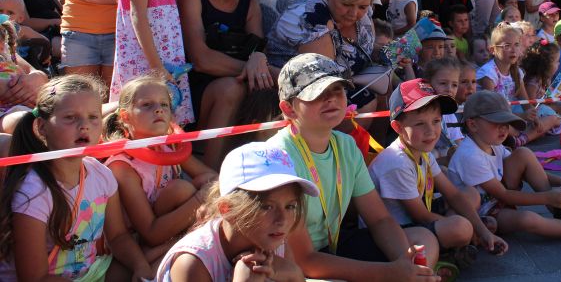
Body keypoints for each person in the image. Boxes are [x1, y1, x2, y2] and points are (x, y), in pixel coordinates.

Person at [266, 54, 439, 281]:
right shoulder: (279, 157)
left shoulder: (346, 144)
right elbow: (305, 260)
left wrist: (404, 262)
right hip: (294, 264)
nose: (331, 99)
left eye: (337, 90)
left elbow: (379, 220)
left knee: (422, 239)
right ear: (289, 109)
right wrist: (390, 273)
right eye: (317, 93)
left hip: (334, 245)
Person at [0, 75, 154, 281]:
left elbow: (118, 236)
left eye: (93, 117)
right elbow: (34, 277)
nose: (84, 125)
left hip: (89, 272)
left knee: (152, 266)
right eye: (71, 117)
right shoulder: (33, 191)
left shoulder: (102, 176)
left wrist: (140, 267)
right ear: (42, 126)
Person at [448, 91, 561, 246]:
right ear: (473, 125)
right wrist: (546, 197)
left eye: (506, 124)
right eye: (497, 123)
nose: (504, 129)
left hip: (495, 200)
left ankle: (559, 209)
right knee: (528, 219)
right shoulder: (470, 155)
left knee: (523, 153)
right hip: (482, 213)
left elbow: (524, 170)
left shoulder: (492, 143)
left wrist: (559, 181)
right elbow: (504, 194)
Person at [370, 79, 508, 275]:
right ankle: (446, 255)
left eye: (436, 121)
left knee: (470, 194)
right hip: (399, 231)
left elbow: (454, 195)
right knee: (461, 228)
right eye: (420, 124)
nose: (431, 131)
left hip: (420, 215)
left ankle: (453, 250)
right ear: (398, 127)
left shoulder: (422, 151)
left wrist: (482, 231)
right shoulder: (397, 162)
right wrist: (472, 229)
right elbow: (420, 216)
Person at [178, 0, 273, 167]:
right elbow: (201, 59)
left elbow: (258, 51)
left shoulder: (250, 5)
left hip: (237, 81)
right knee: (234, 87)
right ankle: (210, 174)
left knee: (276, 83)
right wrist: (252, 67)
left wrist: (258, 59)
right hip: (194, 92)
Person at [156, 144, 317, 282]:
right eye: (267, 207)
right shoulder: (192, 263)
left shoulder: (275, 239)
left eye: (290, 206)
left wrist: (292, 272)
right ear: (227, 210)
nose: (282, 220)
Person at [105, 76, 217, 257]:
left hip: (171, 231)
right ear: (125, 116)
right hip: (140, 245)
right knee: (181, 189)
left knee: (204, 182)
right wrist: (200, 199)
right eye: (147, 105)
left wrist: (205, 191)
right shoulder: (122, 166)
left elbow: (212, 177)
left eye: (164, 104)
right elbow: (151, 233)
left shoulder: (171, 148)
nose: (158, 110)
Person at [268, 0, 383, 111]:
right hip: (303, 95)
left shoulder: (364, 9)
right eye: (347, 4)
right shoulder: (311, 17)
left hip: (348, 83)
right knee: (367, 102)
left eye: (362, 6)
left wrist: (388, 54)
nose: (354, 13)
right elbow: (326, 84)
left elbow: (364, 51)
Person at [477, 24, 526, 102]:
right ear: (493, 50)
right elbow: (491, 107)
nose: (513, 50)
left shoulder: (517, 72)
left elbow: (526, 104)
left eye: (516, 45)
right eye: (507, 46)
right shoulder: (489, 73)